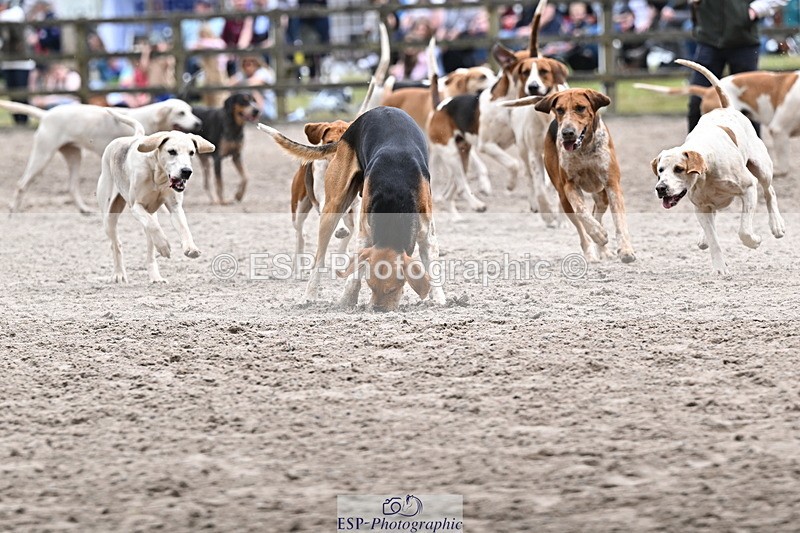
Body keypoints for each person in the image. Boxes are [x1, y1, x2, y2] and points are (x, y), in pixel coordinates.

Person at [686, 0, 787, 132]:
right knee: (697, 102)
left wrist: (756, 9)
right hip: (708, 40)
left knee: (749, 105)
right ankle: (693, 149)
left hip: (744, 41)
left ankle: (753, 151)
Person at [1, 0, 35, 125]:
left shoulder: (16, 12)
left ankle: (24, 120)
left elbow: (11, 16)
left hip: (21, 61)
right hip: (7, 61)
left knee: (21, 93)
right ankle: (17, 121)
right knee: (12, 93)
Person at [228, 54, 277, 121]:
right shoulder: (243, 74)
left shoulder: (263, 72)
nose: (247, 67)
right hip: (250, 108)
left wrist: (239, 83)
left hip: (267, 109)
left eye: (249, 64)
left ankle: (258, 113)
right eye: (245, 64)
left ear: (256, 64)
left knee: (252, 90)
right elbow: (229, 84)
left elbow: (252, 83)